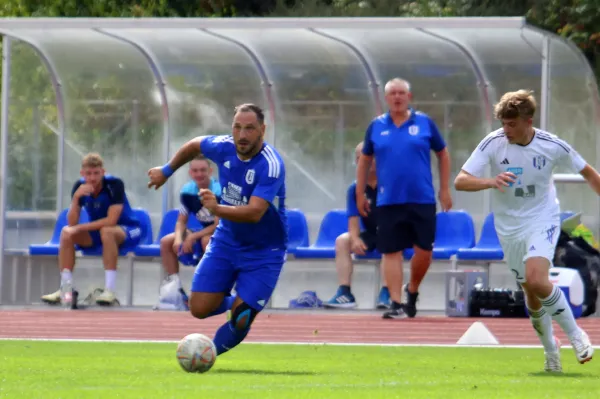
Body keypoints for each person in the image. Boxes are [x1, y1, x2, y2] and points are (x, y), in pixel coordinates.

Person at [454, 89, 596, 372]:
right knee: (531, 295)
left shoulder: (551, 145)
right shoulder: (493, 143)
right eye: (503, 124)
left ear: (528, 121)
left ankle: (576, 335)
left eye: (512, 124)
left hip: (542, 218)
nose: (506, 130)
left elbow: (589, 174)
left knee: (537, 279)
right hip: (508, 227)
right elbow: (460, 181)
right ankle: (550, 351)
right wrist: (491, 181)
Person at [147, 103, 287, 357]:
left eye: (249, 128)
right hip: (227, 241)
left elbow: (255, 212)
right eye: (237, 127)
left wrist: (217, 209)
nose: (242, 135)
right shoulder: (223, 146)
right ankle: (237, 301)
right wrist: (166, 171)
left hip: (264, 251)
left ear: (262, 130)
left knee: (241, 319)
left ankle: (207, 353)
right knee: (198, 308)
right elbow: (194, 144)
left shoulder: (271, 164)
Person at [356, 78, 452, 319]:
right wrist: (359, 193)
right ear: (386, 98)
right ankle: (396, 303)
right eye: (392, 94)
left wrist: (444, 190)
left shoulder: (424, 123)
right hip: (388, 200)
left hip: (422, 198)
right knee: (391, 251)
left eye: (401, 93)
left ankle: (412, 290)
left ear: (409, 96)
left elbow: (443, 153)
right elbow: (365, 160)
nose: (397, 97)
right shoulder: (376, 126)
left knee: (424, 251)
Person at [41, 153, 141, 307]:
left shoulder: (114, 185)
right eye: (88, 174)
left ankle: (109, 290)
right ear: (82, 173)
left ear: (103, 172)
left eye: (96, 173)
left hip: (129, 229)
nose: (92, 178)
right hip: (100, 231)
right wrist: (75, 198)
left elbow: (111, 221)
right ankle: (65, 289)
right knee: (67, 233)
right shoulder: (79, 187)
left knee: (107, 231)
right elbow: (72, 222)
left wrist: (80, 227)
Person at [324, 141, 390, 309]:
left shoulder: (391, 184)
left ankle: (387, 292)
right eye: (360, 159)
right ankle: (345, 293)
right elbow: (353, 220)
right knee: (342, 240)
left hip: (394, 232)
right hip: (371, 232)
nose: (365, 162)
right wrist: (354, 239)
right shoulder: (354, 189)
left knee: (389, 239)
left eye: (369, 158)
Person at [156, 155, 222, 310]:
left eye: (203, 170)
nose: (199, 174)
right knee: (167, 241)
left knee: (208, 241)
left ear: (210, 171)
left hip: (224, 231)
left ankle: (212, 290)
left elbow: (219, 225)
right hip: (203, 230)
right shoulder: (187, 191)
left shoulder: (219, 191)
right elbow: (181, 221)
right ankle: (176, 289)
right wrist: (179, 238)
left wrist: (192, 236)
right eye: (195, 170)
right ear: (190, 173)